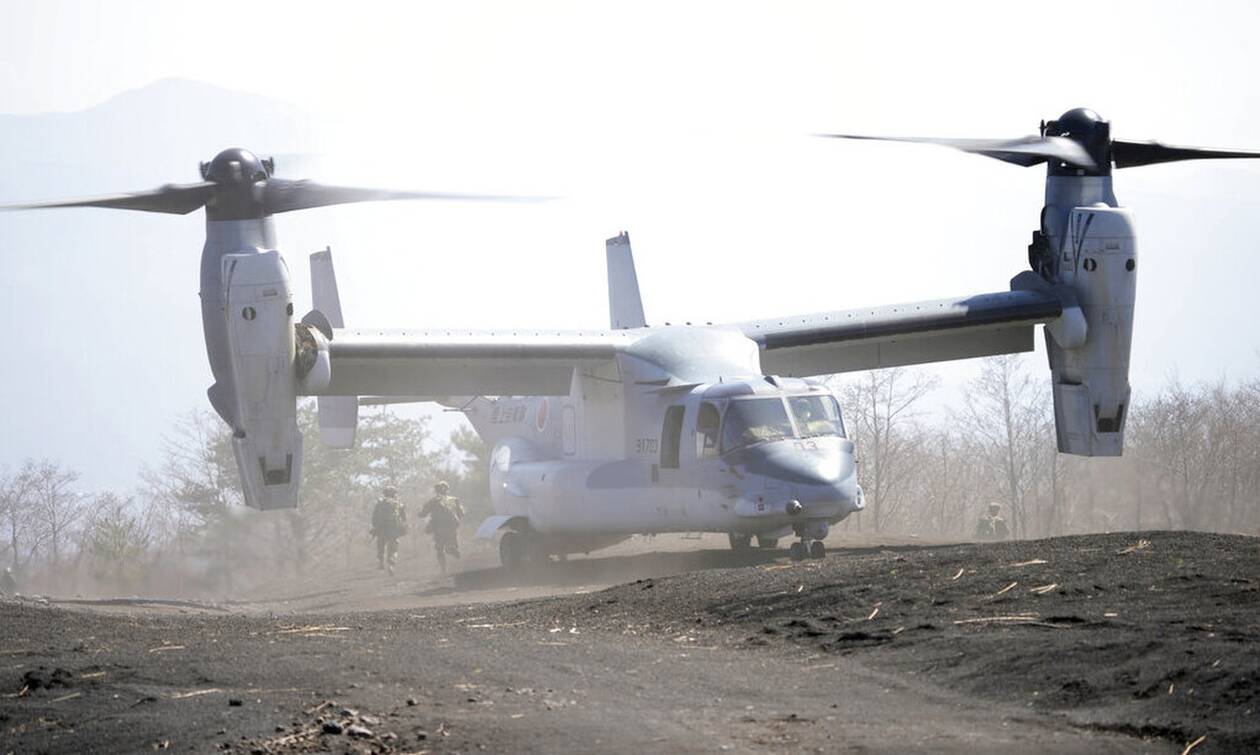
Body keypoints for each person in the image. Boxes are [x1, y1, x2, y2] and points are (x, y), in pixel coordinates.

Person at [420, 481, 465, 575]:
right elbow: (461, 513)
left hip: (438, 527)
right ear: (447, 490)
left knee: (440, 549)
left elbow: (423, 514)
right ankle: (452, 548)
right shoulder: (454, 499)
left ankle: (443, 569)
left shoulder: (432, 501)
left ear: (436, 490)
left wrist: (419, 513)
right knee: (451, 541)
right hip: (452, 526)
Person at [370, 486, 407, 574]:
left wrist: (376, 527)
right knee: (393, 548)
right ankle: (391, 564)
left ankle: (381, 562)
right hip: (394, 529)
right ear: (394, 494)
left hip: (382, 528)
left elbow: (374, 517)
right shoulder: (398, 503)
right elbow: (404, 518)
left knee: (380, 545)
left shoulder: (380, 503)